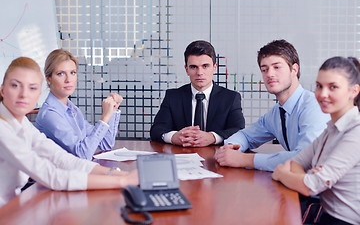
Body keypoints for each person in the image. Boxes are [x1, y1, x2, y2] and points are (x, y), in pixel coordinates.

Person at [0, 57, 138, 207]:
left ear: (38, 94)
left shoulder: (22, 122)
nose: (24, 95)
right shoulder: (4, 128)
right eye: (15, 86)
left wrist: (123, 174)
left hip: (13, 205)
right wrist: (124, 181)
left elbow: (62, 159)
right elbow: (52, 176)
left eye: (32, 88)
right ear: (2, 89)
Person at [215, 39, 329, 171]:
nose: (269, 74)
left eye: (277, 67)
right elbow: (246, 136)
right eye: (264, 69)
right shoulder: (277, 113)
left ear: (294, 69)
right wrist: (230, 147)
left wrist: (244, 159)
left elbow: (304, 159)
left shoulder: (314, 106)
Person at [272, 56, 360, 225]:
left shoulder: (356, 131)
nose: (322, 94)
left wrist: (284, 174)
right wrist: (306, 180)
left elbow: (310, 185)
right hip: (326, 216)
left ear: (354, 91)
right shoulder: (331, 129)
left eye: (333, 87)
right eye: (319, 86)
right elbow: (295, 163)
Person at [150, 40, 245, 147]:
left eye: (205, 66)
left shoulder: (230, 98)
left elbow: (238, 130)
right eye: (193, 67)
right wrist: (173, 137)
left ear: (214, 68)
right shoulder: (173, 97)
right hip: (182, 156)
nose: (199, 73)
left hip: (215, 158)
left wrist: (213, 137)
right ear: (186, 69)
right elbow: (156, 129)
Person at [35, 49, 122, 160]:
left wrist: (112, 111)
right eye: (60, 74)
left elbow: (105, 143)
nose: (68, 79)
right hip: (58, 175)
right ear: (48, 79)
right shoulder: (50, 114)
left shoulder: (72, 109)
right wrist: (104, 118)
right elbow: (83, 154)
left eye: (72, 73)